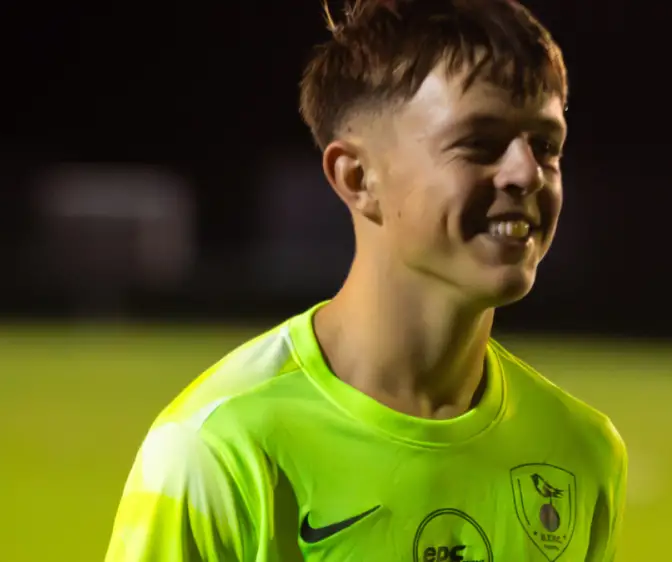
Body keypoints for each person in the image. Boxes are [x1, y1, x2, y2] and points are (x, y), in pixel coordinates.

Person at [105, 1, 627, 560]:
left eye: (546, 146)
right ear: (358, 178)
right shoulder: (218, 449)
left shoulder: (581, 453)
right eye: (479, 142)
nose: (526, 172)